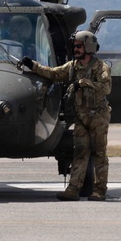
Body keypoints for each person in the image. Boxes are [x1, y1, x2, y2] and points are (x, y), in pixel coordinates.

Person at [21, 30, 112, 201]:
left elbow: (106, 88)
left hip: (98, 118)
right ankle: (73, 189)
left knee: (99, 154)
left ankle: (99, 190)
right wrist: (33, 65)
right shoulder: (72, 67)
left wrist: (82, 83)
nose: (75, 49)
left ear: (88, 47)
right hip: (81, 117)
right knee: (80, 152)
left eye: (78, 46)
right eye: (75, 46)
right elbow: (54, 73)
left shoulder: (101, 68)